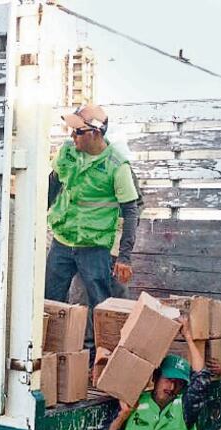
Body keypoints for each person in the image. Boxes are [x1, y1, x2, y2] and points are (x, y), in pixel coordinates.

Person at [46, 104, 140, 333]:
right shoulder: (68, 152)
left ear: (95, 133)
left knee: (100, 305)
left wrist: (124, 256)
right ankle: (50, 355)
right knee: (50, 301)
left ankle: (97, 361)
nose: (72, 135)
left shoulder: (117, 167)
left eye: (78, 131)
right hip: (63, 240)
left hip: (95, 245)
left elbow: (131, 211)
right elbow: (53, 184)